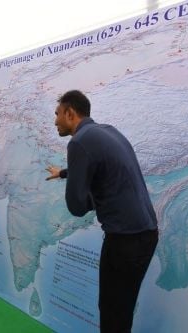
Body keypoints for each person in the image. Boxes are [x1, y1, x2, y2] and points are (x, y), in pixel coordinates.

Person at [45, 90, 158, 333]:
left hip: (125, 242)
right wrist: (64, 173)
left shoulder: (78, 142)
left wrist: (91, 197)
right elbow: (106, 171)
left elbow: (75, 206)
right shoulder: (108, 131)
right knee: (121, 310)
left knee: (112, 313)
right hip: (146, 234)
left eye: (57, 114)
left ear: (70, 113)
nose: (55, 121)